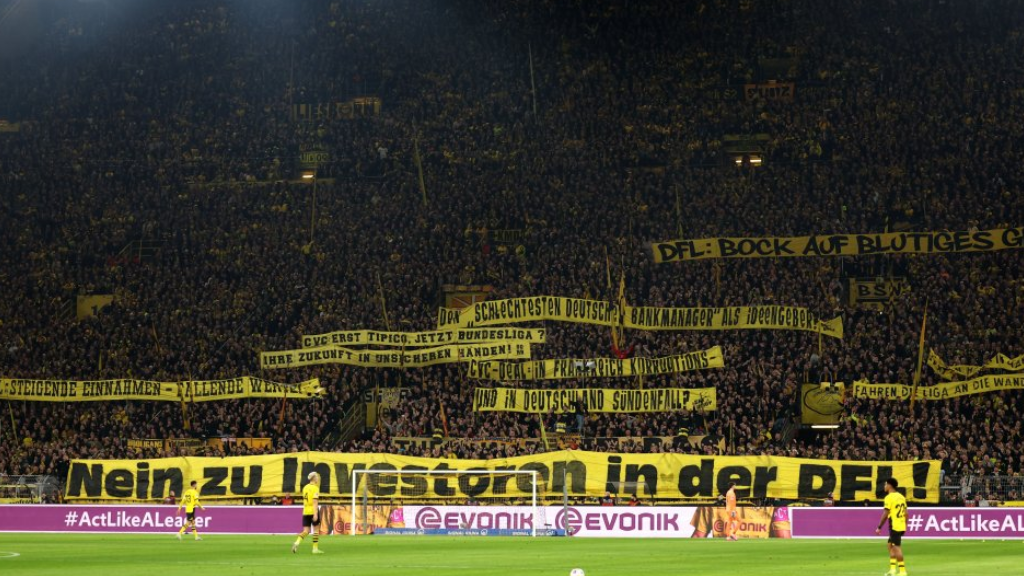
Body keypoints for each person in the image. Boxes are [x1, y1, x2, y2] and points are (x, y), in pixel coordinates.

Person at [875, 478, 908, 576]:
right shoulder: (901, 497)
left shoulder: (889, 498)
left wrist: (879, 527)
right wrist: (905, 525)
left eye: (885, 484)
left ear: (890, 485)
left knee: (896, 547)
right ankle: (893, 570)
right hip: (901, 524)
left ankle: (902, 571)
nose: (884, 486)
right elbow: (906, 513)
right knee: (890, 544)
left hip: (894, 525)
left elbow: (885, 513)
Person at [292, 472, 324, 554]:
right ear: (314, 478)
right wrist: (315, 513)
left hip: (305, 511)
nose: (318, 479)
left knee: (306, 531)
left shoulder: (305, 488)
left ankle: (297, 542)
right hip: (312, 511)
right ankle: (315, 549)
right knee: (316, 530)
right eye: (317, 477)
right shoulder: (315, 488)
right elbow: (314, 501)